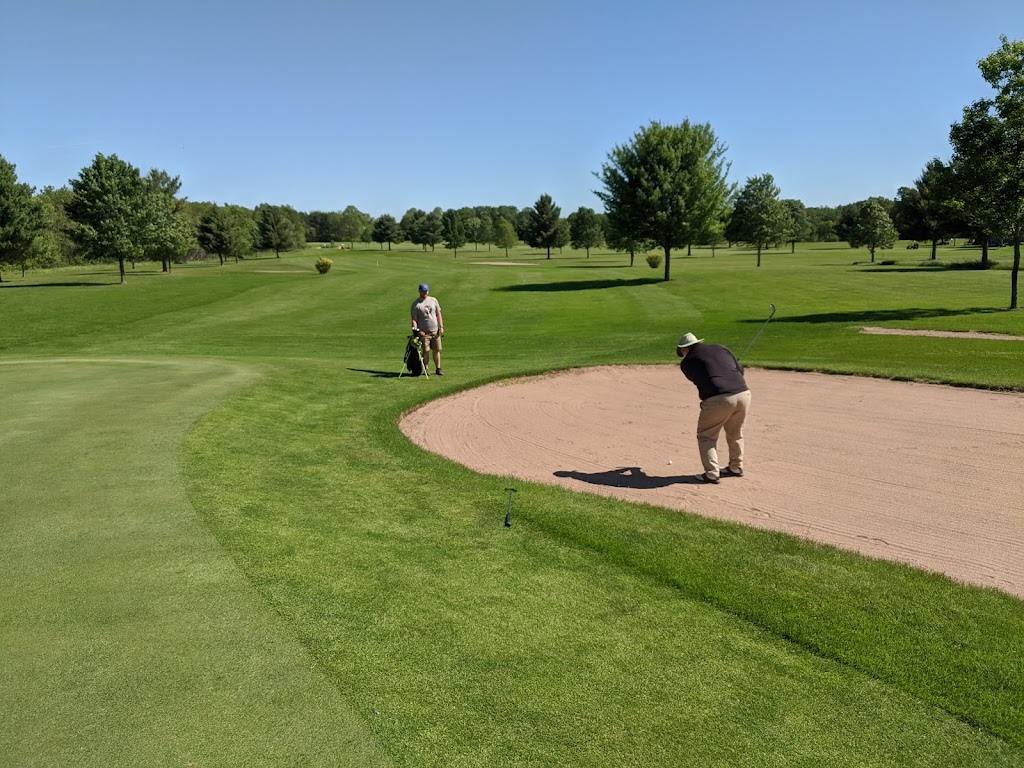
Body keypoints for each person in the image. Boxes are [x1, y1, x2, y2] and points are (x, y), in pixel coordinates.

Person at [676, 332, 751, 484]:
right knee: (735, 433)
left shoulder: (687, 363)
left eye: (682, 351)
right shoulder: (721, 348)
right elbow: (740, 371)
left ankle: (711, 473)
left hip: (718, 399)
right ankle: (736, 467)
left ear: (685, 349)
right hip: (743, 394)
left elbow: (696, 377)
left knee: (706, 436)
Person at [410, 283, 444, 376]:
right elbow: (414, 319)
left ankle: (438, 368)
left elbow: (438, 314)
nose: (425, 293)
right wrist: (417, 331)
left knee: (437, 350)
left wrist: (441, 326)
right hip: (424, 333)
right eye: (423, 291)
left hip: (435, 331)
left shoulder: (433, 300)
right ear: (419, 291)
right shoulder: (416, 304)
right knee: (426, 351)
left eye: (426, 291)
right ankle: (426, 368)